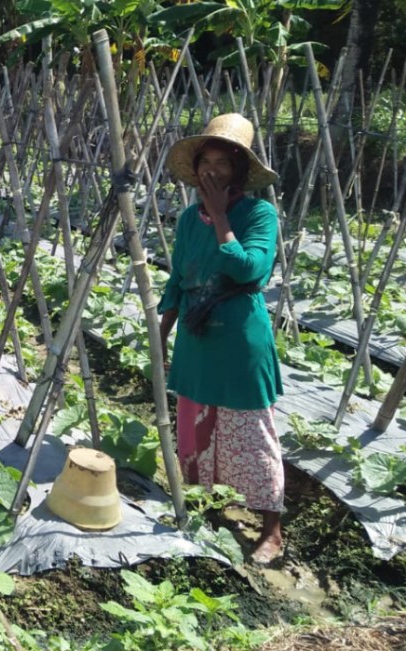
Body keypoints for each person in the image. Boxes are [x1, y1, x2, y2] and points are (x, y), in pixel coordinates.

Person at [158, 113, 285, 564]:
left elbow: (251, 268)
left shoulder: (259, 213)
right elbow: (178, 277)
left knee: (251, 435)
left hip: (238, 343)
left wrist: (221, 222)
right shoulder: (189, 220)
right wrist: (162, 329)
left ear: (238, 171)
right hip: (195, 338)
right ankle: (208, 509)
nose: (212, 171)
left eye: (222, 164)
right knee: (193, 431)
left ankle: (272, 528)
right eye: (205, 162)